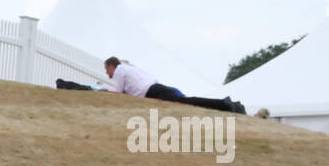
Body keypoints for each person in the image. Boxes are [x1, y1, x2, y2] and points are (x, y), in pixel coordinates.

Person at [104, 56, 245, 113]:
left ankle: (225, 104)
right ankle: (227, 104)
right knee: (188, 101)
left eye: (106, 69)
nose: (107, 73)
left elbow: (117, 91)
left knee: (188, 102)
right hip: (156, 88)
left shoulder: (119, 70)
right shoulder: (130, 68)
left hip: (153, 91)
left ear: (111, 66)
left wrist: (103, 89)